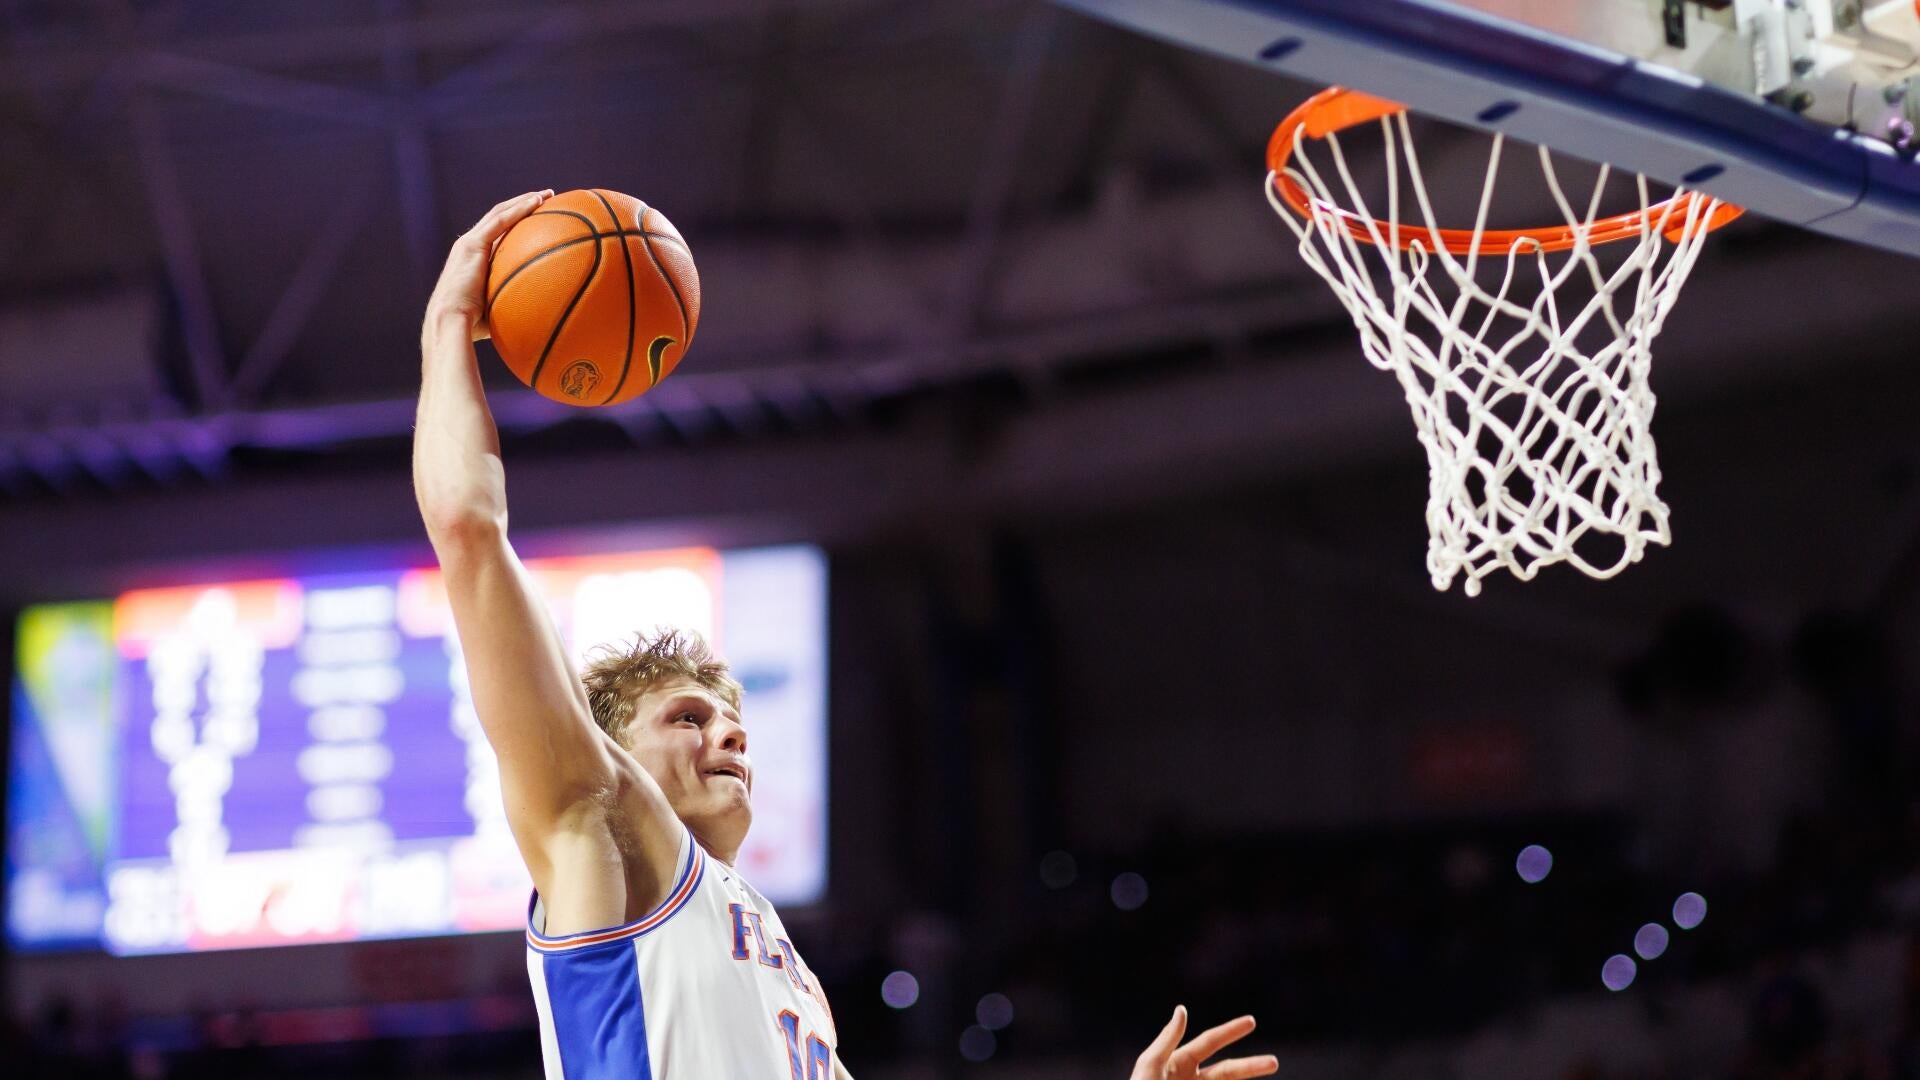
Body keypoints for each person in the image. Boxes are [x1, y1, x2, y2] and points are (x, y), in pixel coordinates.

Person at [414, 190, 1282, 1080]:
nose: (730, 736)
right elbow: (470, 533)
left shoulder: (786, 972)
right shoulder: (592, 825)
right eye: (687, 718)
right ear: (610, 744)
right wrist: (446, 323)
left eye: (730, 721)